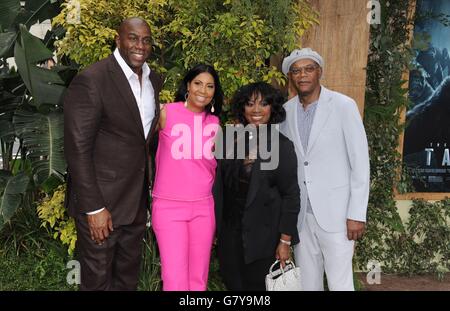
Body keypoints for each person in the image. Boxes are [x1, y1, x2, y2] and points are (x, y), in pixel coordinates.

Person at [64, 17, 162, 290]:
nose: (139, 45)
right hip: (101, 205)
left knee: (126, 281)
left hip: (135, 204)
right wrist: (94, 207)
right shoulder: (92, 80)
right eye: (132, 38)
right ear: (118, 40)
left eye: (146, 40)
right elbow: (77, 149)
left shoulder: (154, 79)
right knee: (96, 281)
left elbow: (142, 140)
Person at [280, 48, 370, 291]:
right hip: (301, 216)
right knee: (308, 284)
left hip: (338, 216)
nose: (303, 75)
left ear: (319, 71)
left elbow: (360, 162)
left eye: (309, 69)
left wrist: (356, 214)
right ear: (291, 77)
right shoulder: (285, 112)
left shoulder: (343, 106)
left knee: (340, 284)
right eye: (296, 71)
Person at [214, 82, 300, 291]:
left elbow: (291, 196)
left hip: (264, 240)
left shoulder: (282, 145)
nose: (256, 110)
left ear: (273, 108)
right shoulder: (228, 139)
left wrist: (285, 241)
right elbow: (218, 186)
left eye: (264, 104)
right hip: (231, 236)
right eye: (250, 104)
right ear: (242, 108)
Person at [151, 63, 223, 291]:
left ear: (214, 92)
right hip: (169, 207)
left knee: (198, 279)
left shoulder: (216, 123)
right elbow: (136, 145)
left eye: (210, 86)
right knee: (174, 280)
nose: (203, 90)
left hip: (203, 208)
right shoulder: (166, 112)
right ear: (188, 86)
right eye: (198, 84)